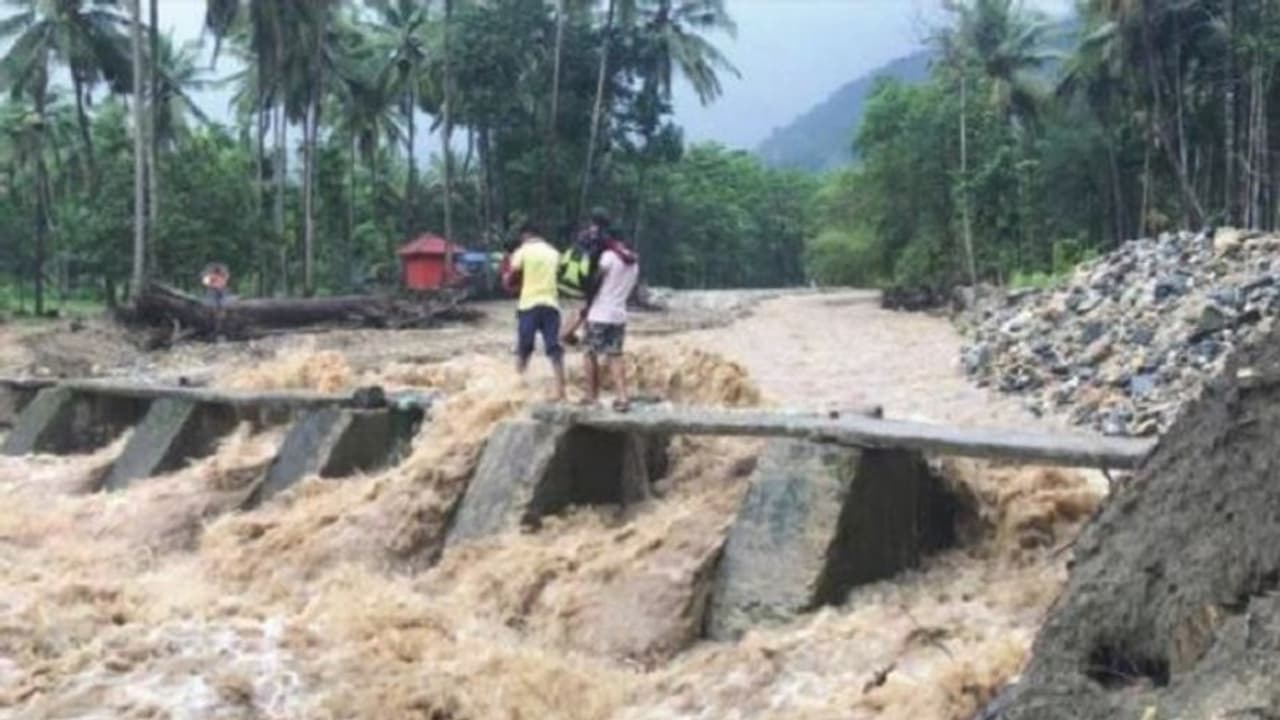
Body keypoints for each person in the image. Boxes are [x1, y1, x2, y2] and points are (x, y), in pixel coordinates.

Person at [503, 223, 566, 400]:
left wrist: (508, 281)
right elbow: (560, 274)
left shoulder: (523, 251)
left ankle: (518, 385)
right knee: (554, 347)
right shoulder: (554, 252)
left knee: (525, 347)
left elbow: (513, 274)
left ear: (525, 236)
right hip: (551, 304)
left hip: (528, 304)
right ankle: (561, 390)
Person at [581, 237, 640, 411]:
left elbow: (597, 279)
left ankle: (592, 397)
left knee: (589, 353)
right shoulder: (634, 262)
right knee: (615, 355)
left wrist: (587, 294)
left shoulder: (608, 256)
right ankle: (622, 397)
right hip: (619, 315)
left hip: (600, 313)